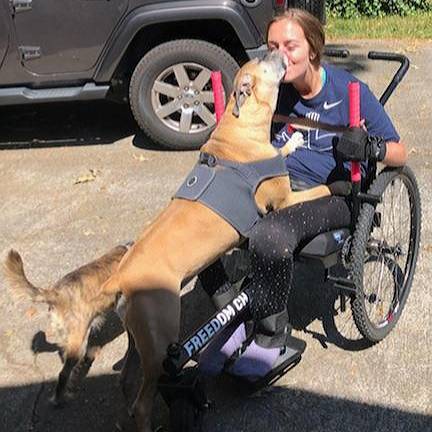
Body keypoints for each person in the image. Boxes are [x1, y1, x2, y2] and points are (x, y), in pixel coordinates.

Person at [197, 8, 407, 384]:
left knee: (270, 236)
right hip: (275, 186)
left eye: (290, 45)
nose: (280, 55)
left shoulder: (347, 91)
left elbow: (399, 152)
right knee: (201, 223)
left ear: (313, 49)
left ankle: (272, 333)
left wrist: (370, 148)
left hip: (334, 194)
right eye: (273, 46)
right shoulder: (272, 90)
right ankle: (234, 314)